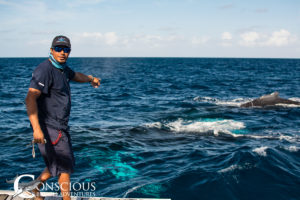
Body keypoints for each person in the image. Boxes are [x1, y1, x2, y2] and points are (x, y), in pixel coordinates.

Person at [25, 35, 100, 200]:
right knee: (64, 167)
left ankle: (34, 188)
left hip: (60, 127)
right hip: (49, 127)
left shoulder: (63, 69)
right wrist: (37, 129)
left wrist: (90, 79)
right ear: (51, 50)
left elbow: (75, 76)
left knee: (56, 164)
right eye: (58, 49)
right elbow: (30, 98)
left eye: (66, 49)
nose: (62, 52)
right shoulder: (44, 70)